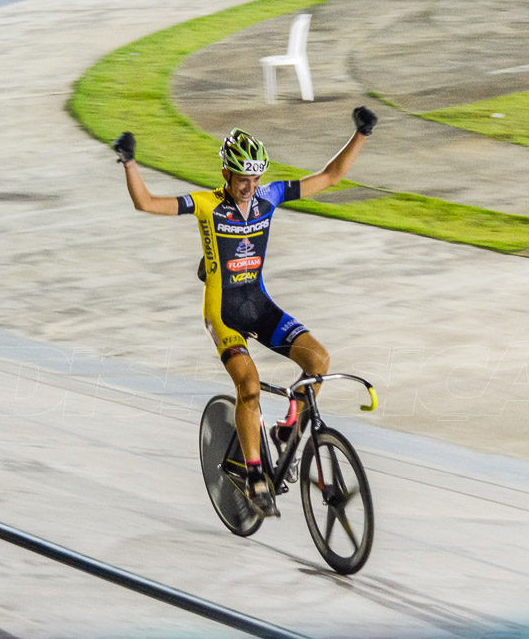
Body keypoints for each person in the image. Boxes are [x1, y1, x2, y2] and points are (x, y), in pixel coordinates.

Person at [113, 107, 378, 516]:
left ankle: (288, 427)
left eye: (255, 179)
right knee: (249, 386)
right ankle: (255, 474)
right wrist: (129, 162)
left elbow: (330, 177)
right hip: (222, 314)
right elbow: (146, 203)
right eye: (242, 179)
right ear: (226, 175)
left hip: (257, 303)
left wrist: (361, 134)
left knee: (318, 360)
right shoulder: (206, 205)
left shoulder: (269, 197)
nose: (250, 187)